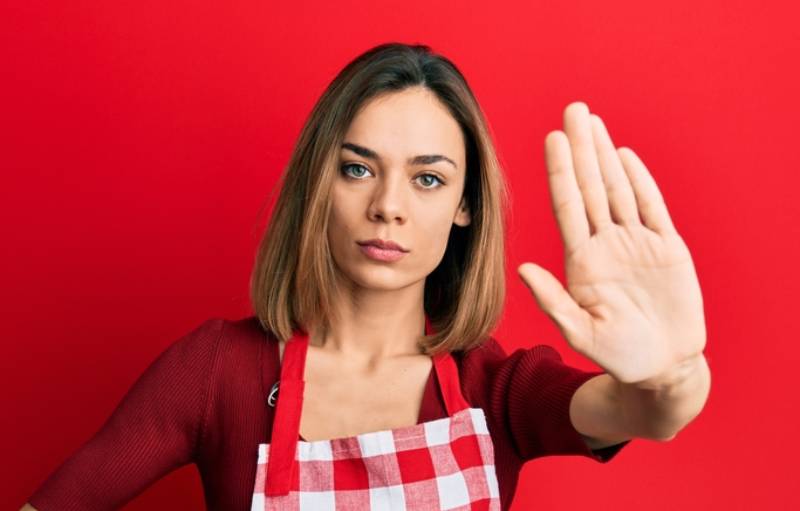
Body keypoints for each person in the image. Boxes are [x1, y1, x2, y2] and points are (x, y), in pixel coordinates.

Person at [22, 42, 710, 511]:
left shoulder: (496, 389)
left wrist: (671, 371)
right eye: (357, 167)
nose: (388, 205)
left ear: (465, 206)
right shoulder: (216, 372)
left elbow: (641, 410)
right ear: (318, 182)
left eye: (429, 178)